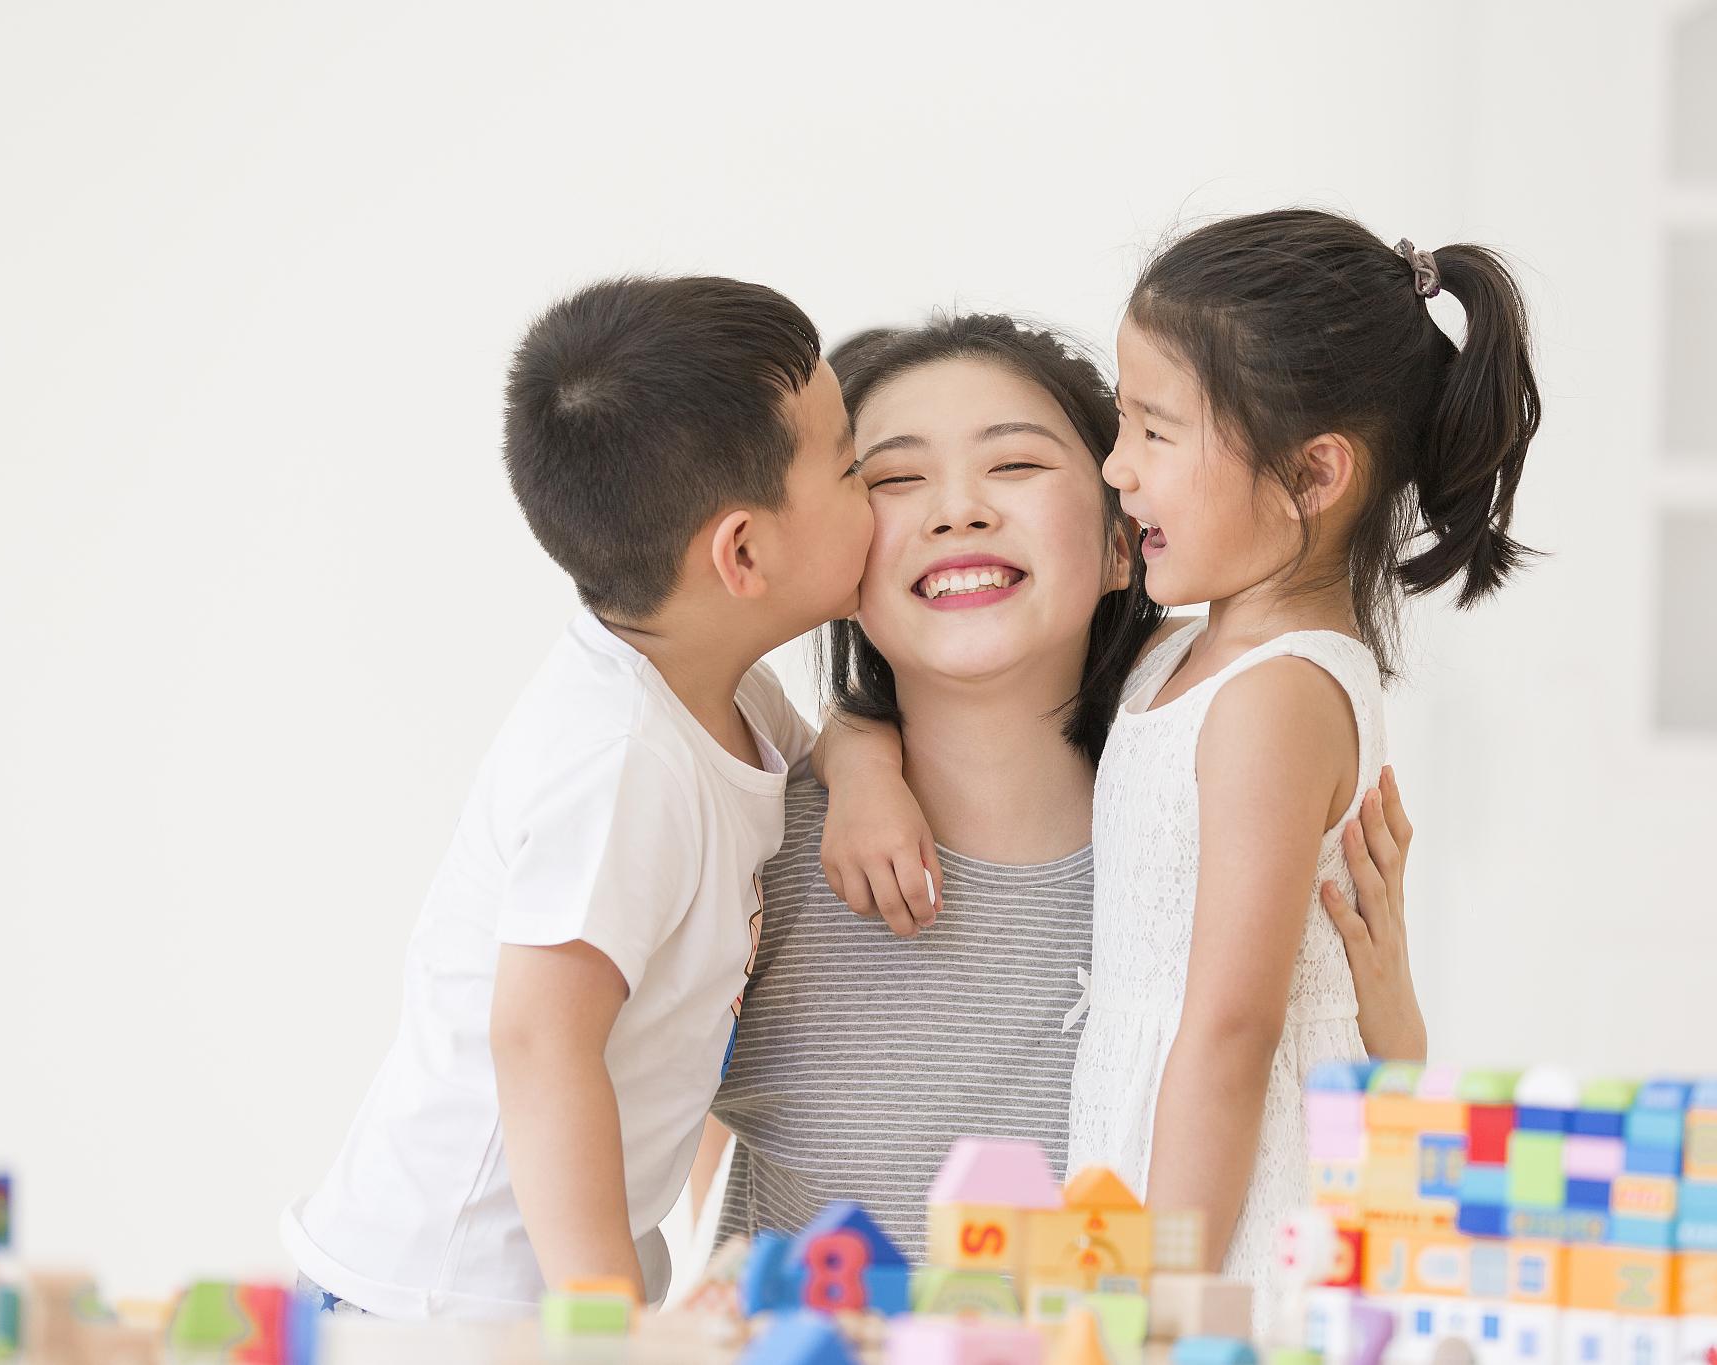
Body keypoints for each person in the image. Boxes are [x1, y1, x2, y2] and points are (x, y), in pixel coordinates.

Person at [708, 314, 1423, 1259]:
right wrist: (856, 751)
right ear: (838, 558)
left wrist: (1394, 1023)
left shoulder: (1220, 828)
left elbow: (1358, 1157)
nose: (958, 510)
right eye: (893, 480)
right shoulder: (758, 856)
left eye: (1015, 465)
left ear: (1128, 542)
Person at [281, 276, 873, 1317]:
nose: (880, 495)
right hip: (446, 1300)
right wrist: (608, 1322)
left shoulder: (720, 691)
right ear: (742, 552)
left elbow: (818, 760)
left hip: (526, 1288)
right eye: (854, 467)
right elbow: (540, 1039)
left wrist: (869, 766)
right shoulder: (619, 760)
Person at [1067, 210, 1540, 1317]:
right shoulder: (1183, 650)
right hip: (1165, 1156)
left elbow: (1234, 1030)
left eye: (1154, 430)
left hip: (1231, 1209)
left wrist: (1166, 1297)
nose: (1115, 465)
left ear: (1314, 472)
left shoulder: (1275, 698)